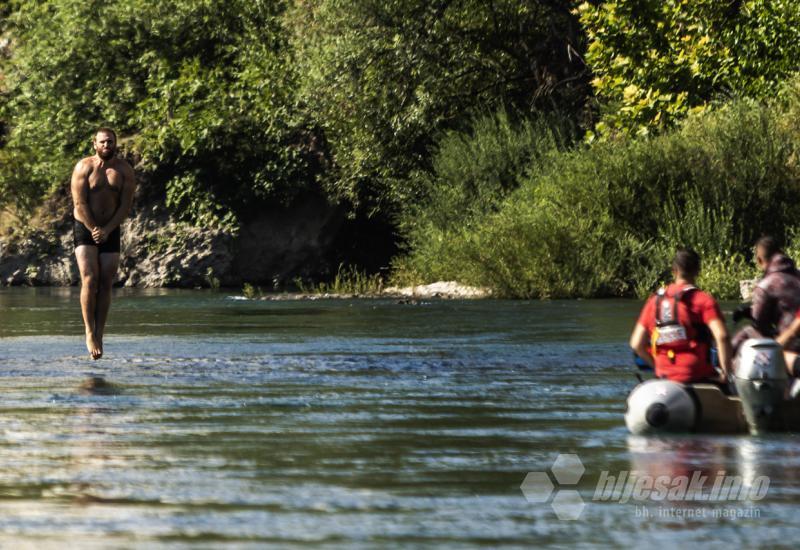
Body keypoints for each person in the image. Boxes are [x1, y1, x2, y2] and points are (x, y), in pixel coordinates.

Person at [70, 127, 136, 359]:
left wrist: (107, 229)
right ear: (94, 144)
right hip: (85, 227)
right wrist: (94, 229)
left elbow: (125, 206)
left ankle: (100, 332)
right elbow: (80, 203)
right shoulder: (83, 167)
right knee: (90, 277)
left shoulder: (124, 170)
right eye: (103, 142)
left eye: (110, 142)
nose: (107, 145)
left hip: (111, 228)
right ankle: (89, 332)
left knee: (106, 279)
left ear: (115, 144)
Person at [629, 248, 732, 384]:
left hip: (664, 377)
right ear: (697, 271)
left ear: (674, 271)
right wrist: (726, 374)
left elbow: (636, 344)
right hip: (696, 376)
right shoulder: (703, 300)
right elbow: (722, 336)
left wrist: (657, 368)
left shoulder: (654, 301)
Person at [732, 236, 800, 355]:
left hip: (787, 344)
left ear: (759, 260)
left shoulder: (766, 285)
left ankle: (723, 367)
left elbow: (759, 323)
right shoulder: (797, 274)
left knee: (746, 332)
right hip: (793, 337)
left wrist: (749, 313)